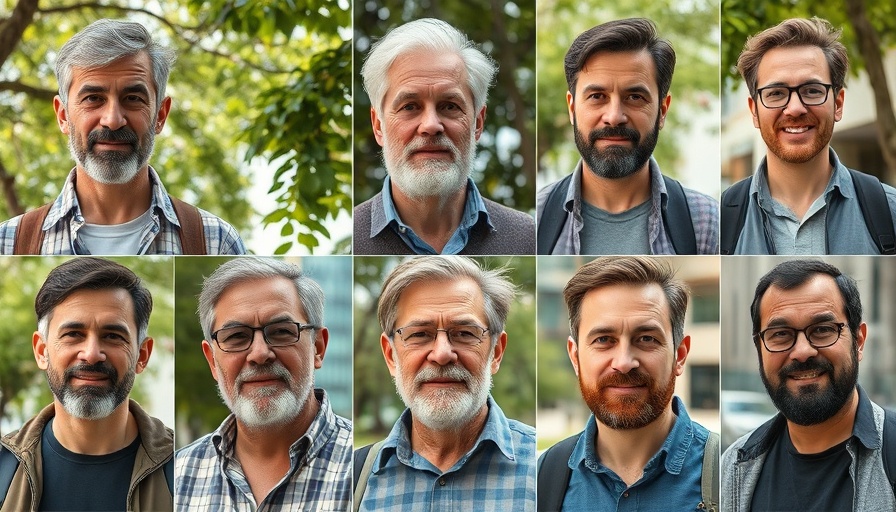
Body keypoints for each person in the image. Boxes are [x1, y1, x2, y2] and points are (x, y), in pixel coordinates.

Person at [0, 19, 246, 255]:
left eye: (133, 98)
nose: (113, 119)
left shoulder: (217, 242)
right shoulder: (7, 243)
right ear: (63, 116)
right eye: (93, 98)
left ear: (160, 114)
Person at [353, 256, 535, 511]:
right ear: (391, 355)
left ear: (496, 353)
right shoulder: (353, 479)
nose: (441, 354)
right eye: (419, 334)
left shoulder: (544, 469)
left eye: (464, 333)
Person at [537, 257, 719, 510]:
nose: (623, 362)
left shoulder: (727, 473)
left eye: (646, 338)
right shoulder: (542, 479)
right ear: (575, 357)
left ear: (679, 355)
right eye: (603, 340)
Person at [175, 258, 351, 510]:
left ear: (318, 348)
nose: (259, 354)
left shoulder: (360, 470)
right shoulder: (179, 474)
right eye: (236, 336)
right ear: (212, 361)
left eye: (281, 331)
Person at [721, 260, 896, 510]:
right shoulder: (732, 467)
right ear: (759, 348)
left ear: (858, 341)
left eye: (823, 329)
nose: (802, 351)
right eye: (780, 334)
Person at [0, 257, 172, 511]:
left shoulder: (182, 468)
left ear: (142, 355)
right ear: (41, 351)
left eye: (113, 336)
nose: (91, 354)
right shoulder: (3, 468)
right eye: (73, 334)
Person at [536, 18, 719, 255]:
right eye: (597, 96)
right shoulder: (537, 220)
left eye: (634, 97)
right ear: (572, 108)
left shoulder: (707, 223)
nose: (614, 117)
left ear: (662, 111)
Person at [354, 18, 536, 255]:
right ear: (378, 126)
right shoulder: (351, 239)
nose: (430, 125)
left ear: (477, 124)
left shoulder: (528, 237)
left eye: (449, 106)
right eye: (410, 107)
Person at [721, 17, 896, 255]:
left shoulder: (889, 210)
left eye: (812, 91)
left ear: (838, 104)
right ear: (754, 110)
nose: (795, 108)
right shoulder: (719, 220)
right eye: (776, 93)